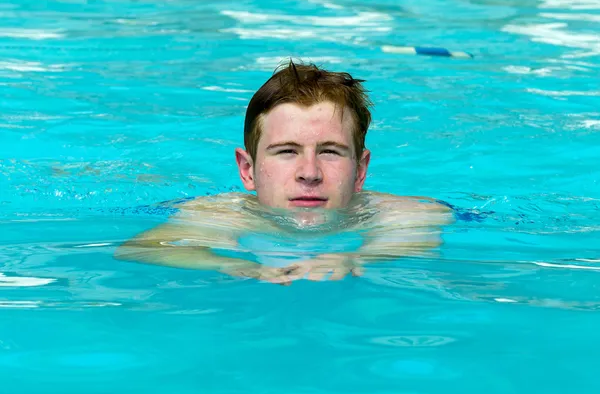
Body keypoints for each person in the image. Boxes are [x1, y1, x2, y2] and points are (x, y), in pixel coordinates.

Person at [115, 61, 452, 283]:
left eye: (330, 152)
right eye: (287, 152)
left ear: (360, 170)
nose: (309, 173)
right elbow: (140, 248)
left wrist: (357, 256)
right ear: (248, 170)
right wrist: (232, 265)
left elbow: (417, 231)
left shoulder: (397, 213)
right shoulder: (222, 214)